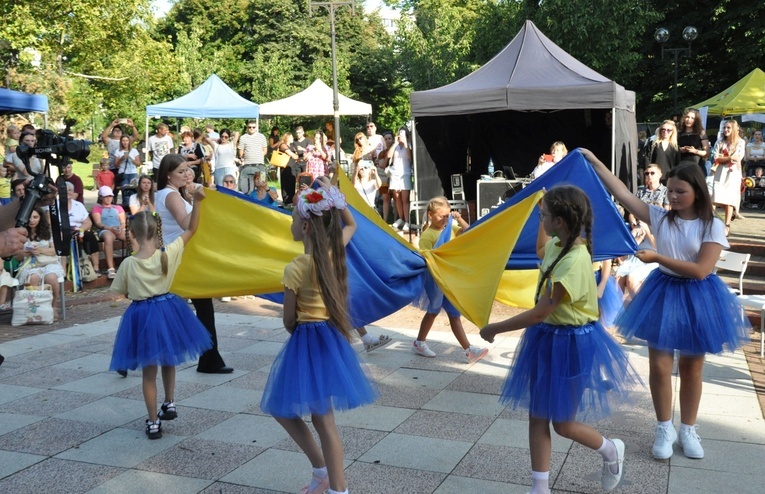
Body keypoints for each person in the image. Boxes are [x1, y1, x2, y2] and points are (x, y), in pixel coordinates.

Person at [582, 148, 748, 462]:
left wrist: (658, 257)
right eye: (669, 190)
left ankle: (688, 428)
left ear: (697, 192)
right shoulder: (659, 216)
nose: (671, 196)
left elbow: (701, 269)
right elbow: (621, 191)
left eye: (679, 191)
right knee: (659, 367)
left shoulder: (711, 225)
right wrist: (594, 160)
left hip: (698, 295)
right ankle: (664, 427)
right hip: (663, 291)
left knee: (691, 368)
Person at [480, 185, 636, 494]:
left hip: (573, 344)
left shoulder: (575, 260)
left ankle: (610, 449)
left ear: (560, 222)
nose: (542, 217)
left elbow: (540, 311)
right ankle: (540, 488)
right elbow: (541, 250)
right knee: (537, 414)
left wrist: (494, 328)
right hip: (548, 338)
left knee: (563, 423)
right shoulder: (556, 244)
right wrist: (542, 206)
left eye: (545, 215)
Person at [260, 179, 378, 494]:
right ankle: (326, 477)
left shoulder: (296, 267)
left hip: (306, 341)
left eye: (296, 219)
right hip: (329, 340)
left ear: (307, 227)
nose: (293, 225)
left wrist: (331, 197)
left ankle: (332, 482)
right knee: (322, 419)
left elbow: (289, 319)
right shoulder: (334, 253)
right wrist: (336, 199)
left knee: (296, 412)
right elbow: (351, 223)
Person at [108, 191, 213, 439]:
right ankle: (170, 401)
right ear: (157, 232)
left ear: (132, 234)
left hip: (142, 315)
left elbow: (121, 292)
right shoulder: (168, 253)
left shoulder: (128, 265)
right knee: (169, 358)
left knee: (148, 372)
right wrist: (197, 202)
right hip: (168, 310)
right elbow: (192, 229)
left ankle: (153, 421)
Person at [156, 154, 232, 374]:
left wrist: (192, 200)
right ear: (168, 175)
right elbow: (187, 224)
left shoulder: (172, 194)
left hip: (183, 257)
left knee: (200, 307)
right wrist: (197, 203)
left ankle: (210, 359)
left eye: (186, 170)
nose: (186, 174)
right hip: (178, 259)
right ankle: (210, 359)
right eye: (180, 171)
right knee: (184, 309)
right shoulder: (170, 195)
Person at [412, 196, 488, 363]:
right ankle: (419, 342)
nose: (444, 219)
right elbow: (427, 258)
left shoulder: (450, 227)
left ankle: (469, 350)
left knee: (454, 314)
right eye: (441, 216)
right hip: (436, 279)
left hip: (449, 279)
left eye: (447, 215)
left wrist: (459, 218)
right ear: (430, 215)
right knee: (433, 311)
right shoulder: (428, 235)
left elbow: (468, 232)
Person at [15, 207, 66, 319]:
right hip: (29, 263)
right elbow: (17, 257)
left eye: (35, 217)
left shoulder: (48, 231)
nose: (32, 220)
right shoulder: (20, 233)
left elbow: (56, 250)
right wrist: (26, 252)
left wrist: (41, 250)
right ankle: (34, 309)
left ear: (40, 218)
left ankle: (54, 306)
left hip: (48, 262)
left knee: (51, 278)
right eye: (29, 217)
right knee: (33, 278)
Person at [711, 120, 746, 236]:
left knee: (729, 200)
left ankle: (727, 225)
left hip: (733, 173)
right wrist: (728, 158)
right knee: (715, 197)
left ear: (734, 129)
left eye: (728, 128)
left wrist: (724, 158)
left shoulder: (740, 142)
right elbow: (716, 157)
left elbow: (738, 157)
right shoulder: (720, 141)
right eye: (724, 128)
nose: (726, 130)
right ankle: (712, 221)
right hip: (720, 172)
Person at [92, 186, 127, 279]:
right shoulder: (97, 208)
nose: (108, 198)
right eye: (105, 196)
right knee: (108, 237)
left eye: (110, 196)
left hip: (118, 229)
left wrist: (120, 227)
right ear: (101, 197)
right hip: (106, 230)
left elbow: (123, 222)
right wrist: (110, 228)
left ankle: (136, 262)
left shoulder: (118, 207)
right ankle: (111, 268)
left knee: (131, 235)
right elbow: (98, 223)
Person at [387, 128, 413, 232]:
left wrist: (405, 142)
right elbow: (388, 155)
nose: (400, 136)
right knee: (397, 197)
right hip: (395, 174)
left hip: (405, 173)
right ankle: (401, 218)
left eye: (402, 134)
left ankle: (407, 220)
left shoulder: (409, 145)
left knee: (405, 198)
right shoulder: (396, 146)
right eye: (399, 134)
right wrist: (395, 143)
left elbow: (409, 156)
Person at [238, 120, 268, 192]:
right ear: (247, 127)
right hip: (248, 165)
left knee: (262, 184)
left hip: (260, 164)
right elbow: (240, 153)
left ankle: (260, 201)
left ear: (256, 127)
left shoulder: (262, 136)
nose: (251, 128)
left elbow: (265, 150)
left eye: (253, 127)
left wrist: (258, 155)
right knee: (247, 187)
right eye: (249, 127)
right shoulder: (243, 137)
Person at [677, 108, 709, 172]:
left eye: (692, 118)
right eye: (687, 117)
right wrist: (680, 150)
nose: (689, 120)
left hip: (696, 166)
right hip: (681, 166)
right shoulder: (678, 133)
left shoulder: (701, 132)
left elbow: (707, 153)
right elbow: (673, 149)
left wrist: (694, 151)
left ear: (696, 120)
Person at [115, 135, 141, 207]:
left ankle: (133, 207)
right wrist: (122, 159)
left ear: (129, 142)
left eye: (126, 141)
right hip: (123, 174)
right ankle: (126, 207)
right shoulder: (118, 151)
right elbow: (116, 165)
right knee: (125, 191)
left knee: (133, 191)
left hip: (132, 173)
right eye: (123, 141)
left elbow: (138, 163)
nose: (125, 142)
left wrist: (131, 159)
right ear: (121, 142)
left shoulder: (134, 151)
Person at [376, 131, 394, 222]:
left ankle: (396, 219)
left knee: (397, 198)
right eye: (385, 139)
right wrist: (387, 156)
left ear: (393, 139)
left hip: (395, 177)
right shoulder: (382, 153)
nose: (387, 141)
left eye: (389, 138)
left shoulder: (398, 150)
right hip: (385, 178)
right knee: (385, 199)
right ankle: (385, 221)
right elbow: (382, 165)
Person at [278, 132, 301, 205]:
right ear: (287, 138)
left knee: (292, 184)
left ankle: (291, 200)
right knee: (286, 184)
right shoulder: (283, 145)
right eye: (291, 137)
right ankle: (286, 200)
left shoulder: (292, 146)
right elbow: (291, 154)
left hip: (292, 166)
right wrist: (296, 156)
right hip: (285, 167)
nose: (293, 139)